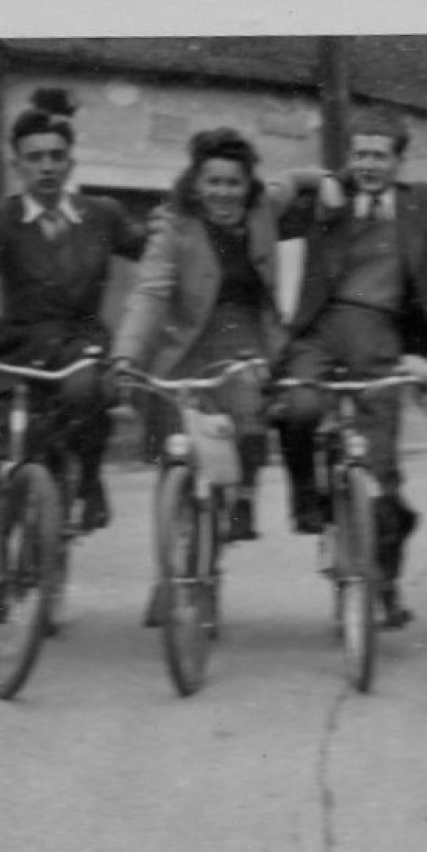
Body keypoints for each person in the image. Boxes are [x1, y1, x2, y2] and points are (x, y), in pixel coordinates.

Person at [0, 88, 147, 619]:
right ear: (18, 164)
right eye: (34, 158)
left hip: (79, 343)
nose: (47, 167)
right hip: (16, 347)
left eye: (56, 156)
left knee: (86, 393)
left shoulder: (102, 214)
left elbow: (155, 252)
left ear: (69, 160)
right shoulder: (0, 221)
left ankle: (86, 486)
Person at [276, 109, 427, 629]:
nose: (367, 165)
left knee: (383, 477)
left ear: (399, 161)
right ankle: (307, 496)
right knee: (297, 406)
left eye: (379, 155)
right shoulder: (326, 201)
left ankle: (386, 585)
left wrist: (425, 358)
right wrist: (311, 178)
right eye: (359, 154)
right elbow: (263, 203)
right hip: (321, 331)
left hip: (383, 340)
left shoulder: (422, 208)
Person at [111, 127, 300, 547]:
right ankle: (167, 571)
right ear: (196, 184)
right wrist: (126, 356)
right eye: (213, 182)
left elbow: (295, 180)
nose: (224, 193)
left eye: (233, 182)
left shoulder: (263, 209)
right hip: (184, 346)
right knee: (174, 452)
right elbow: (151, 292)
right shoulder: (172, 226)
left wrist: (328, 182)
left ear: (247, 185)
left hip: (245, 339)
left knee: (250, 423)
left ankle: (244, 498)